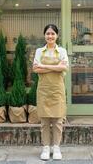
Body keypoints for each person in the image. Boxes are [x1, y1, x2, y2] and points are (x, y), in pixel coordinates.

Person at [33, 24, 69, 161]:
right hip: (43, 89)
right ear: (44, 35)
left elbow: (64, 67)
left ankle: (57, 147)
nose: (50, 36)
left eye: (53, 33)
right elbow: (36, 69)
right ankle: (46, 148)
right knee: (44, 121)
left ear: (57, 36)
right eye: (48, 33)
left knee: (58, 120)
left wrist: (44, 66)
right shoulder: (39, 51)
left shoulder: (62, 51)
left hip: (57, 89)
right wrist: (55, 67)